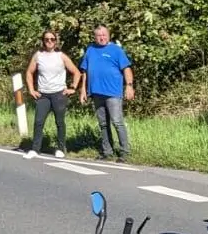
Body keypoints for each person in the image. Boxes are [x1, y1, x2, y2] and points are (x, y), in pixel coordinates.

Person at [78, 25, 134, 162]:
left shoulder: (116, 50)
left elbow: (126, 69)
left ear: (108, 35)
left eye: (104, 35)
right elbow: (84, 71)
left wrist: (129, 86)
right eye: (99, 35)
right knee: (103, 124)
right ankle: (107, 151)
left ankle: (124, 151)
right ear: (95, 37)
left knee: (117, 121)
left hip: (113, 92)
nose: (102, 37)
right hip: (96, 92)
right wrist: (83, 89)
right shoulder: (90, 50)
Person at [23, 30, 79, 159]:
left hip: (59, 94)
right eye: (47, 39)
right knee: (38, 121)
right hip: (43, 94)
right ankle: (35, 149)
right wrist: (31, 89)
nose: (49, 41)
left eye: (52, 39)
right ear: (43, 41)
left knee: (59, 122)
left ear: (56, 41)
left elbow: (76, 72)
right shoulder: (38, 55)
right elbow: (29, 72)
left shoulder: (61, 56)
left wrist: (73, 88)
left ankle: (60, 148)